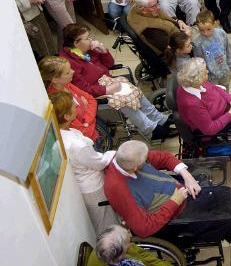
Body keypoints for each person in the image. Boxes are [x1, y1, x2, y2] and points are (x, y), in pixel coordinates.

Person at [104, 141, 231, 266]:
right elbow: (143, 228)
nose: (149, 160)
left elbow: (165, 158)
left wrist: (187, 176)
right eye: (145, 162)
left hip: (184, 195)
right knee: (228, 222)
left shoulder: (128, 157)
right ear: (134, 167)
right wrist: (175, 201)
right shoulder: (117, 187)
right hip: (172, 222)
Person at [59, 24, 176, 141]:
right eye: (87, 38)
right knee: (125, 100)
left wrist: (103, 51)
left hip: (107, 80)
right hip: (96, 90)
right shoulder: (71, 63)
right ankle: (151, 129)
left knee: (134, 91)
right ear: (76, 43)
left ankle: (158, 118)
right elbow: (84, 89)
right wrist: (107, 90)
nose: (91, 40)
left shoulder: (87, 50)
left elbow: (110, 64)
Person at [49, 91, 120, 234]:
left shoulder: (62, 133)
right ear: (67, 116)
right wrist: (115, 153)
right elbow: (98, 162)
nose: (77, 106)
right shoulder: (76, 145)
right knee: (107, 224)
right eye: (73, 106)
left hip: (85, 183)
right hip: (94, 188)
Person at [40, 56, 99, 141]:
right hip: (85, 141)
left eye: (70, 68)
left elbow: (92, 100)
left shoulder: (66, 85)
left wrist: (86, 121)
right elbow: (85, 133)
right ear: (55, 80)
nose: (73, 71)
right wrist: (87, 109)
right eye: (67, 72)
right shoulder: (58, 102)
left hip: (92, 132)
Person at [127, 0, 192, 55]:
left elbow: (167, 18)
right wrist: (187, 36)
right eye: (153, 6)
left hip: (179, 35)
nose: (158, 7)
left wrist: (178, 21)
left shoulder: (143, 9)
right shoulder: (149, 30)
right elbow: (172, 48)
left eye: (157, 3)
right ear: (143, 10)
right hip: (176, 54)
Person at [88, 224, 172, 266]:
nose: (129, 243)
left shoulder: (101, 250)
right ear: (120, 255)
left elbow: (145, 256)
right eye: (126, 242)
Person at [193, 10, 231, 87]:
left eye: (208, 29)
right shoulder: (197, 43)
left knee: (225, 89)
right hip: (211, 76)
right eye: (201, 30)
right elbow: (199, 62)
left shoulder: (221, 33)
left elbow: (227, 49)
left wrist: (229, 65)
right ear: (197, 27)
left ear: (214, 24)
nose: (205, 33)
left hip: (224, 70)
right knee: (215, 94)